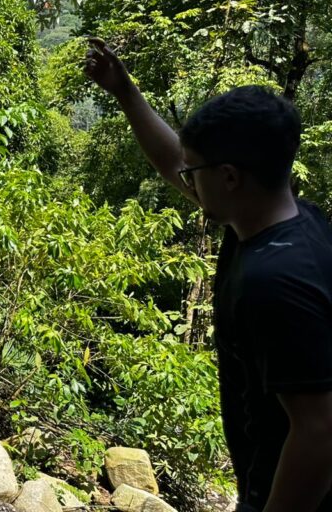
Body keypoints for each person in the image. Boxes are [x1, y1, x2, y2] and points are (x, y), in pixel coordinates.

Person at [85, 38, 332, 512]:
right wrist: (124, 92)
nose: (187, 179)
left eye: (196, 171)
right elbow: (175, 162)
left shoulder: (275, 280)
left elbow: (318, 431)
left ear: (231, 177)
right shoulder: (287, 222)